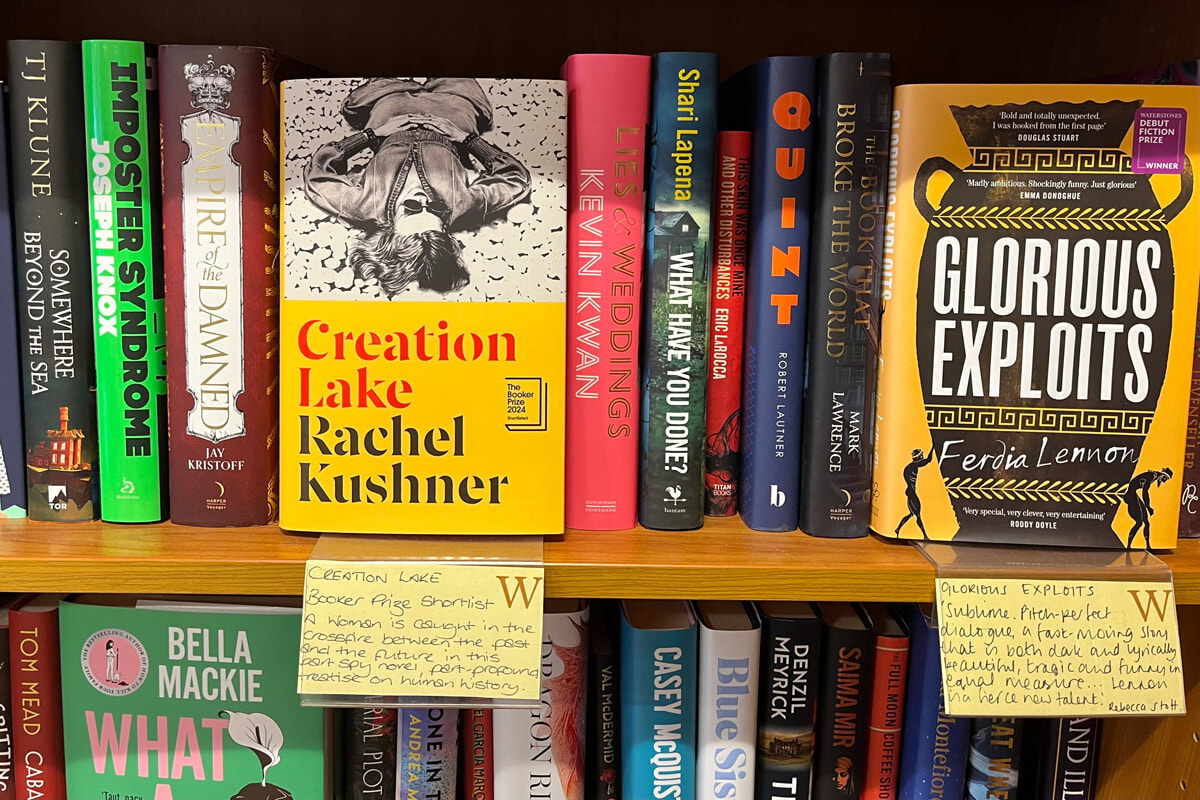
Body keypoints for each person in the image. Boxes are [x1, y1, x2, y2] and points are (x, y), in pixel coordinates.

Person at [304, 78, 532, 296]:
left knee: (356, 104)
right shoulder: (461, 205)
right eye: (434, 209)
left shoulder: (364, 206)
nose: (422, 199)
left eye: (411, 207)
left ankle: (402, 84)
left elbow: (318, 177)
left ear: (389, 229)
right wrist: (467, 139)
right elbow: (516, 179)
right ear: (444, 227)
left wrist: (371, 135)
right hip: (453, 111)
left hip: (391, 111)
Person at [1125, 467, 1173, 548]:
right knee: (1139, 523)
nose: (1164, 481)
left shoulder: (1154, 476)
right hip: (1131, 496)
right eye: (1165, 479)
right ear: (1163, 475)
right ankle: (1128, 546)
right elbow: (1145, 492)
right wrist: (1148, 507)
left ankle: (1148, 545)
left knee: (1147, 523)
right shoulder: (1151, 476)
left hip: (1133, 495)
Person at [895, 448, 934, 538]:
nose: (922, 456)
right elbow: (928, 460)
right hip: (911, 492)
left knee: (912, 514)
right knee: (917, 515)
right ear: (918, 457)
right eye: (921, 455)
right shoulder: (913, 466)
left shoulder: (911, 466)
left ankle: (897, 529)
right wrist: (932, 448)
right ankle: (925, 536)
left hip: (911, 491)